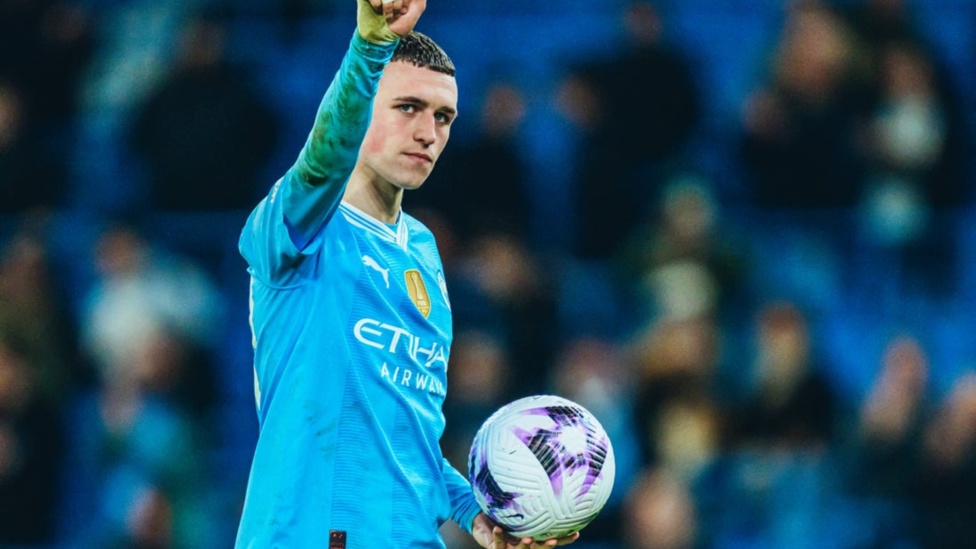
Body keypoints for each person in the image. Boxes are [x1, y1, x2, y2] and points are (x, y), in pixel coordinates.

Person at [235, 1, 580, 548]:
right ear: (360, 107)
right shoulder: (298, 228)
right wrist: (369, 49)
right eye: (408, 107)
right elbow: (323, 163)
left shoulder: (421, 250)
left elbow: (410, 436)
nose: (428, 133)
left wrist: (476, 513)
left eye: (443, 117)